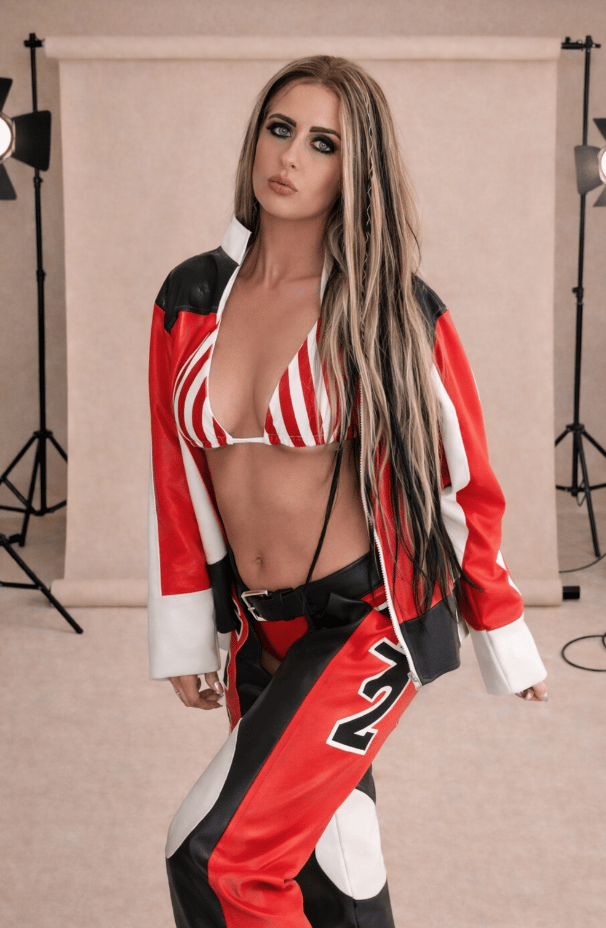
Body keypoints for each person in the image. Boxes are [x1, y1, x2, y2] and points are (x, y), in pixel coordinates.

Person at [148, 55, 547, 928]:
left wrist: (498, 620)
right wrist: (187, 631)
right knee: (331, 860)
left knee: (220, 856)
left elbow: (463, 475)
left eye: (323, 143)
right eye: (279, 128)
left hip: (365, 622)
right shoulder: (190, 297)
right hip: (260, 627)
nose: (290, 156)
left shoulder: (388, 306)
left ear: (354, 169)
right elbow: (174, 476)